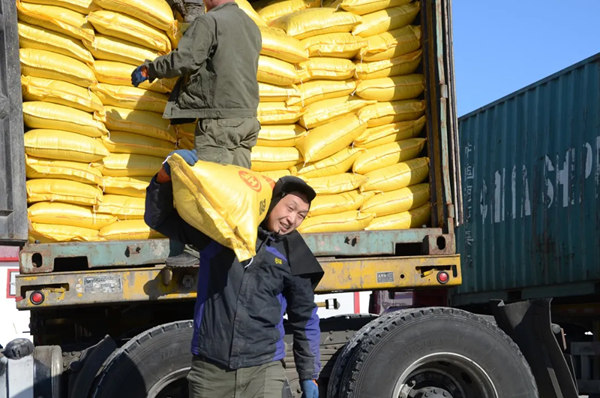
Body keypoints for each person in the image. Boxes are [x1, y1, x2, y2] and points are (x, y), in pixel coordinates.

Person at [144, 149, 323, 398]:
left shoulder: (294, 254)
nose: (292, 219)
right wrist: (162, 179)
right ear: (272, 201)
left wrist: (309, 374)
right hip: (211, 369)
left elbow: (304, 318)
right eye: (290, 208)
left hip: (263, 370)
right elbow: (159, 218)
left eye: (301, 215)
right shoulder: (221, 233)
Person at [131, 0, 262, 265]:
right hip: (246, 119)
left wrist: (150, 69)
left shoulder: (209, 22)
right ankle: (240, 249)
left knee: (210, 185)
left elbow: (186, 59)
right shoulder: (250, 25)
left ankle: (202, 248)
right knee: (236, 186)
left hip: (219, 120)